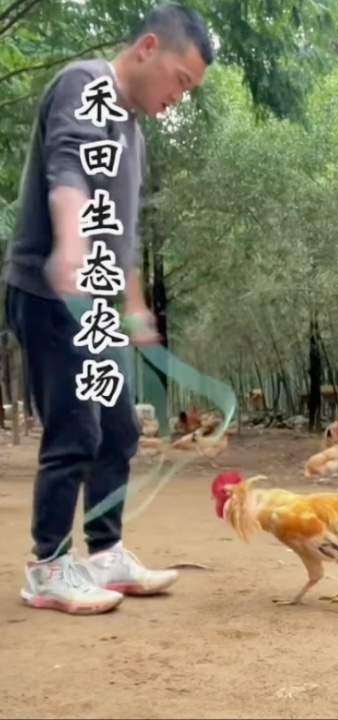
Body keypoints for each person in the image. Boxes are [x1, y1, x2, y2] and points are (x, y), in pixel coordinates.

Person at [4, 3, 215, 615]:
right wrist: (70, 244)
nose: (179, 96)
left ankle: (104, 553)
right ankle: (46, 566)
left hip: (95, 305)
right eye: (180, 80)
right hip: (50, 293)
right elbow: (67, 167)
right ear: (148, 48)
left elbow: (122, 231)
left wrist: (135, 307)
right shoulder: (86, 86)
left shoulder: (133, 132)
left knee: (118, 427)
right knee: (75, 428)